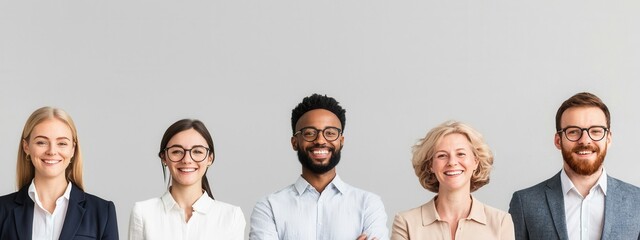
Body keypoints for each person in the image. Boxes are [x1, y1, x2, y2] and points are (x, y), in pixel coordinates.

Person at [249, 93, 389, 240]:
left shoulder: (369, 205)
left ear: (341, 141)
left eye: (330, 133)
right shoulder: (269, 207)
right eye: (310, 133)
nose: (320, 140)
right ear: (294, 142)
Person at [509, 92, 640, 240]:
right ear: (558, 141)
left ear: (608, 139)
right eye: (573, 132)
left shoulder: (637, 201)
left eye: (596, 131)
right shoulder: (525, 203)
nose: (585, 140)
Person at [0, 106, 119, 239]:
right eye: (41, 142)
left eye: (62, 143)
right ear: (26, 147)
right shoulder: (3, 210)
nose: (51, 151)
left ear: (73, 149)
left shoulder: (102, 212)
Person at [392, 121, 514, 240]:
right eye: (442, 155)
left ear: (476, 162)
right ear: (431, 165)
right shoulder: (406, 223)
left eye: (461, 154)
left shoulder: (500, 222)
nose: (452, 162)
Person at [128, 119, 245, 240]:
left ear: (210, 158)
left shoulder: (231, 216)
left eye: (197, 151)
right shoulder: (143, 213)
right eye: (177, 151)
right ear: (164, 157)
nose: (187, 160)